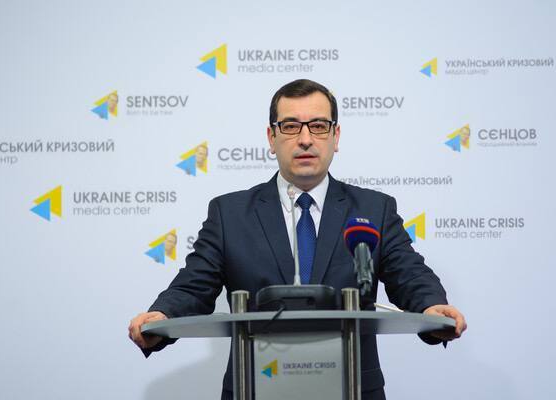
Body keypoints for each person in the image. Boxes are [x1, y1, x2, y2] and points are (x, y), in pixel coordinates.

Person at [129, 79, 467, 400]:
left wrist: (431, 307)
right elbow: (193, 286)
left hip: (352, 387)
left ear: (335, 135)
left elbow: (408, 273)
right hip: (255, 386)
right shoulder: (229, 214)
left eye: (318, 126)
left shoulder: (372, 209)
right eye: (291, 126)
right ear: (271, 137)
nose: (305, 139)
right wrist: (162, 315)